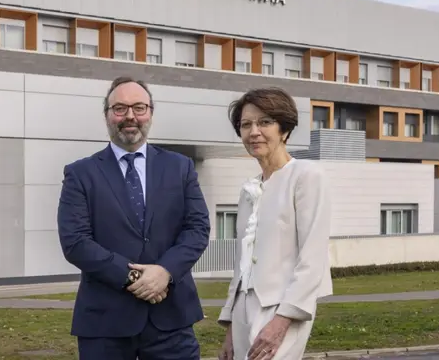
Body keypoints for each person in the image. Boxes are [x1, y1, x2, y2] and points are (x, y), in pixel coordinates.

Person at [56, 76, 211, 359]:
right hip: (105, 323)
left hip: (171, 319)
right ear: (107, 115)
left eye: (139, 107)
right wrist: (135, 278)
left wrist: (164, 273)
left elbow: (198, 228)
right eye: (120, 108)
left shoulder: (180, 167)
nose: (130, 116)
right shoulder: (80, 174)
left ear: (151, 112)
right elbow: (75, 241)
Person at [217, 87, 334, 360]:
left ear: (284, 130)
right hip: (243, 308)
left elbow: (313, 258)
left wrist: (282, 321)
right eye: (246, 125)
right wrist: (231, 327)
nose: (253, 131)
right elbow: (242, 265)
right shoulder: (249, 189)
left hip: (283, 306)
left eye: (265, 122)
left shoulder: (306, 175)